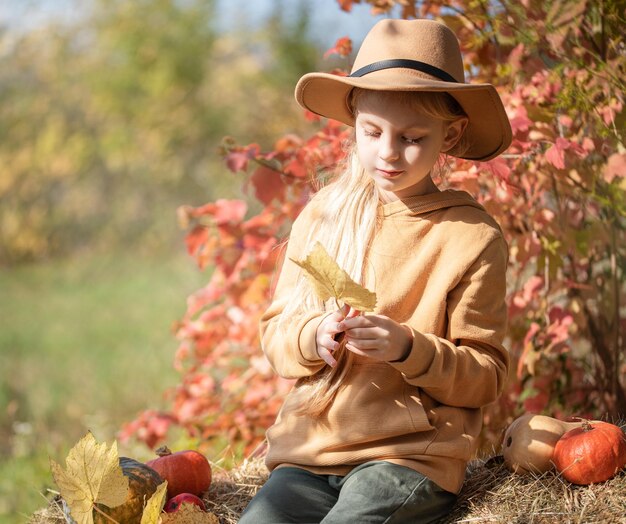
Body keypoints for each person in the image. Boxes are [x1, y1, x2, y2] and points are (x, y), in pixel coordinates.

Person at [239, 18, 512, 524]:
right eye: (373, 132)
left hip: (408, 458)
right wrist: (312, 336)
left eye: (411, 137)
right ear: (354, 124)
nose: (387, 153)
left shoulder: (469, 237)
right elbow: (276, 333)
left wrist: (409, 348)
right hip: (309, 454)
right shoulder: (326, 214)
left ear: (449, 134)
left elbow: (486, 376)